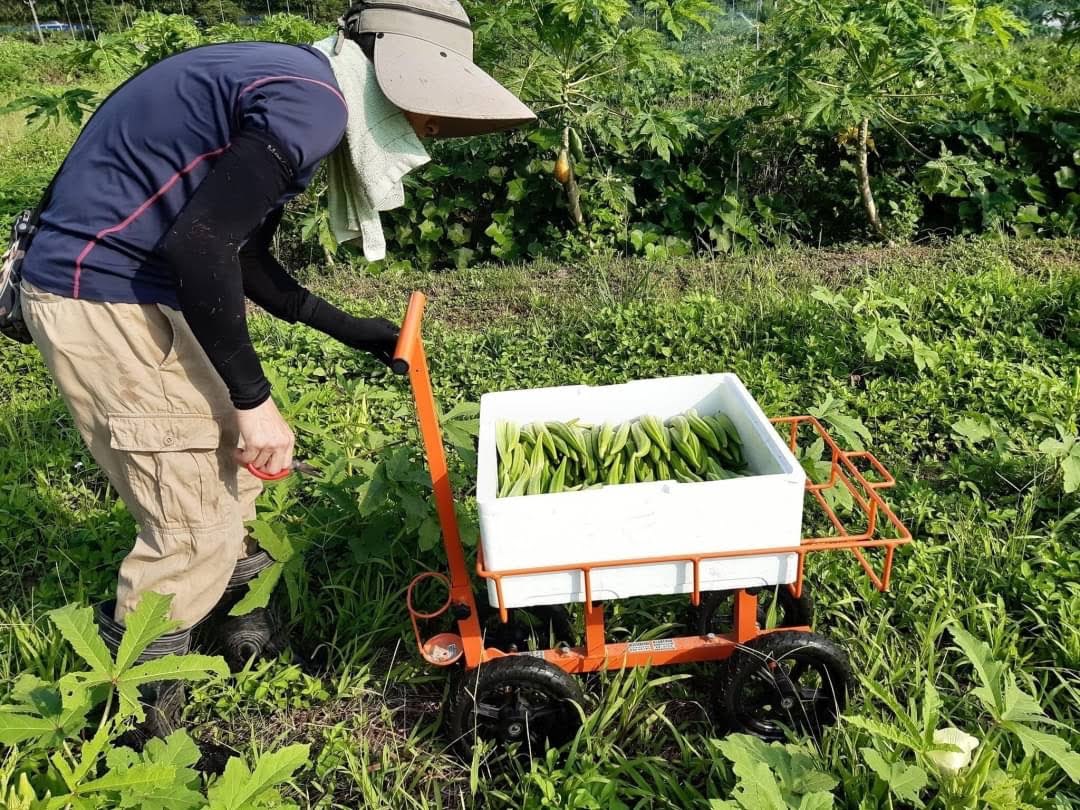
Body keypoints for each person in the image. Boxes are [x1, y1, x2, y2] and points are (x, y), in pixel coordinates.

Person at [19, 0, 534, 743]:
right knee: (190, 522)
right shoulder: (311, 105)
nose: (428, 129)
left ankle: (241, 636)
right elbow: (200, 248)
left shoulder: (297, 80)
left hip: (138, 286)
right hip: (98, 294)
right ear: (394, 72)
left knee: (231, 472)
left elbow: (243, 255)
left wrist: (350, 329)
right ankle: (135, 731)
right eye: (430, 108)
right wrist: (254, 400)